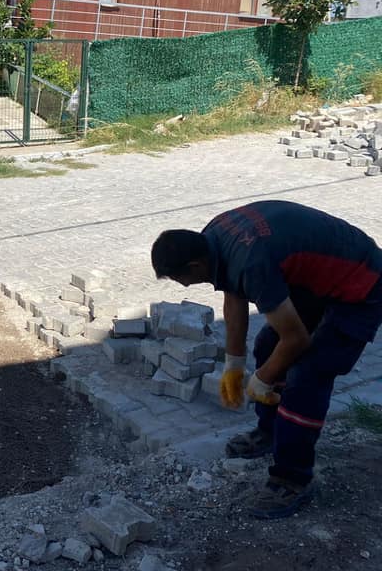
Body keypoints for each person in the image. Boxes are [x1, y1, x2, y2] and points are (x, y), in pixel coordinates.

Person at [150, 200, 382, 519]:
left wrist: (261, 379)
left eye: (179, 280)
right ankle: (271, 432)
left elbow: (297, 339)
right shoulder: (213, 237)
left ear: (193, 267)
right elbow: (234, 296)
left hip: (361, 283)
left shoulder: (252, 263)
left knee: (307, 375)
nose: (182, 286)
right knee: (267, 346)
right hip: (318, 279)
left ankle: (292, 478)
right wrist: (234, 363)